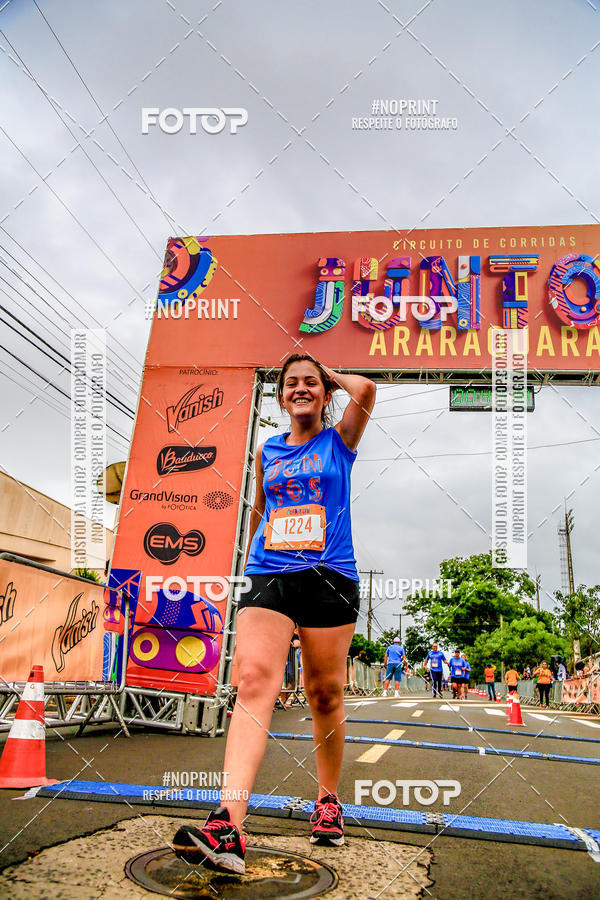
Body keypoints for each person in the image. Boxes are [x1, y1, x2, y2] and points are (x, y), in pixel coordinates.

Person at [172, 353, 375, 874]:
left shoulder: (340, 442)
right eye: (292, 383)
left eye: (311, 383)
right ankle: (228, 822)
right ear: (281, 396)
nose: (301, 388)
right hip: (270, 572)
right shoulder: (269, 449)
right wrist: (246, 568)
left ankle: (328, 800)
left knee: (324, 692)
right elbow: (260, 509)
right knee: (254, 680)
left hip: (331, 576)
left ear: (325, 392)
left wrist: (329, 376)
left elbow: (367, 390)